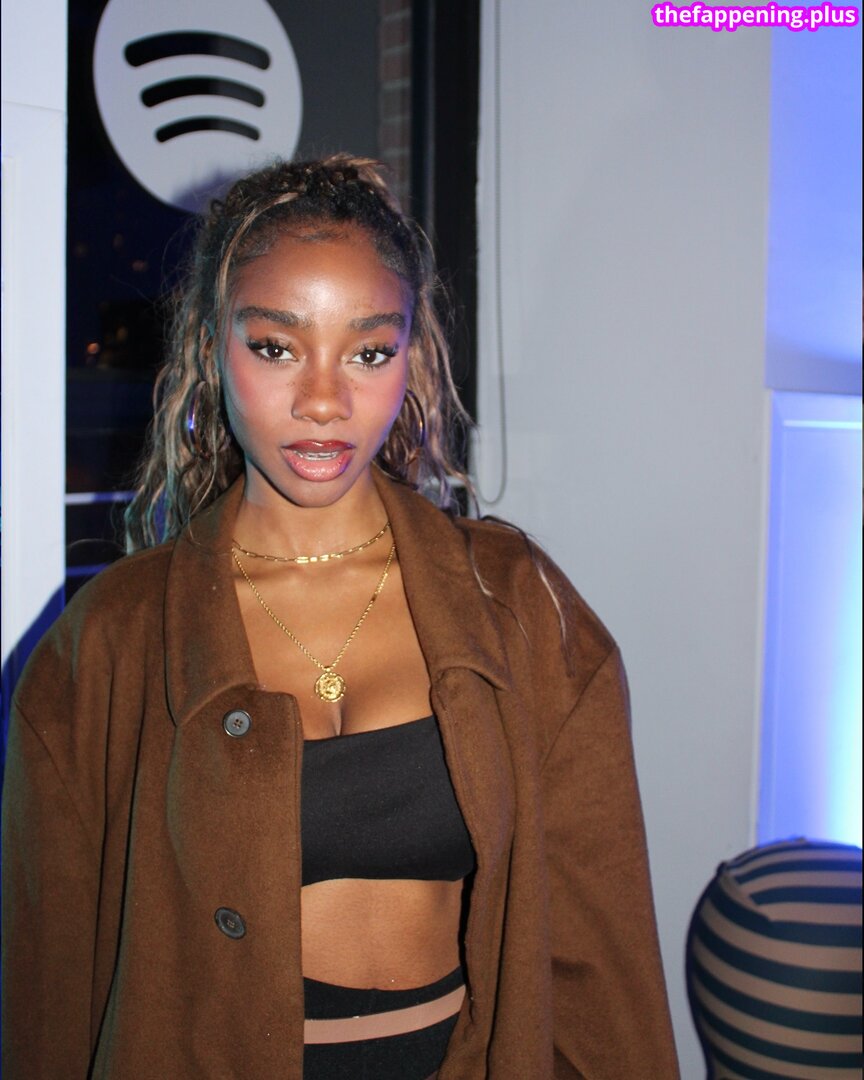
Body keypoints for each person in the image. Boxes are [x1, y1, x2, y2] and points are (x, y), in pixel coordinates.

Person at [2, 156, 679, 1079]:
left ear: (411, 358)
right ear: (210, 348)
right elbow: (51, 982)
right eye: (276, 347)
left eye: (368, 352)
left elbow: (604, 959)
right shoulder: (110, 643)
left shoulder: (519, 606)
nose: (323, 401)